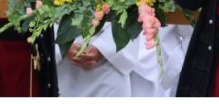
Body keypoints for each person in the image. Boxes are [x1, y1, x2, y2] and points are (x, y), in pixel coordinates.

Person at [56, 21, 192, 96]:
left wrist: (173, 69)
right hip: (70, 68)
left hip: (151, 69)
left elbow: (190, 29)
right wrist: (62, 44)